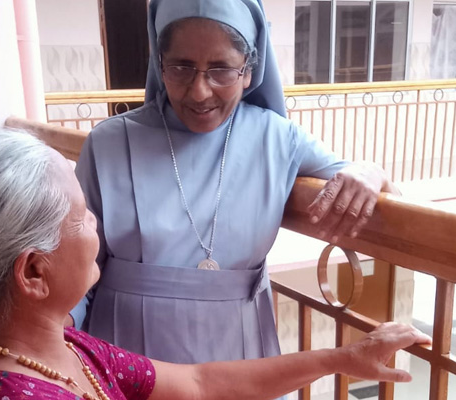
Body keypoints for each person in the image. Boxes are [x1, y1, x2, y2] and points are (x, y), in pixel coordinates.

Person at [0, 131, 429, 400]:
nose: (99, 225)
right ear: (34, 273)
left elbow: (200, 381)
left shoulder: (51, 346)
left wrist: (343, 358)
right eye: (83, 215)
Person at [71, 0, 400, 366]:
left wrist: (371, 171)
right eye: (181, 68)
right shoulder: (108, 143)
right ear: (160, 65)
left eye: (221, 70)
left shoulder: (278, 139)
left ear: (248, 71)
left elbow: (385, 192)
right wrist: (54, 345)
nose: (200, 91)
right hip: (124, 354)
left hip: (237, 350)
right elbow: (73, 267)